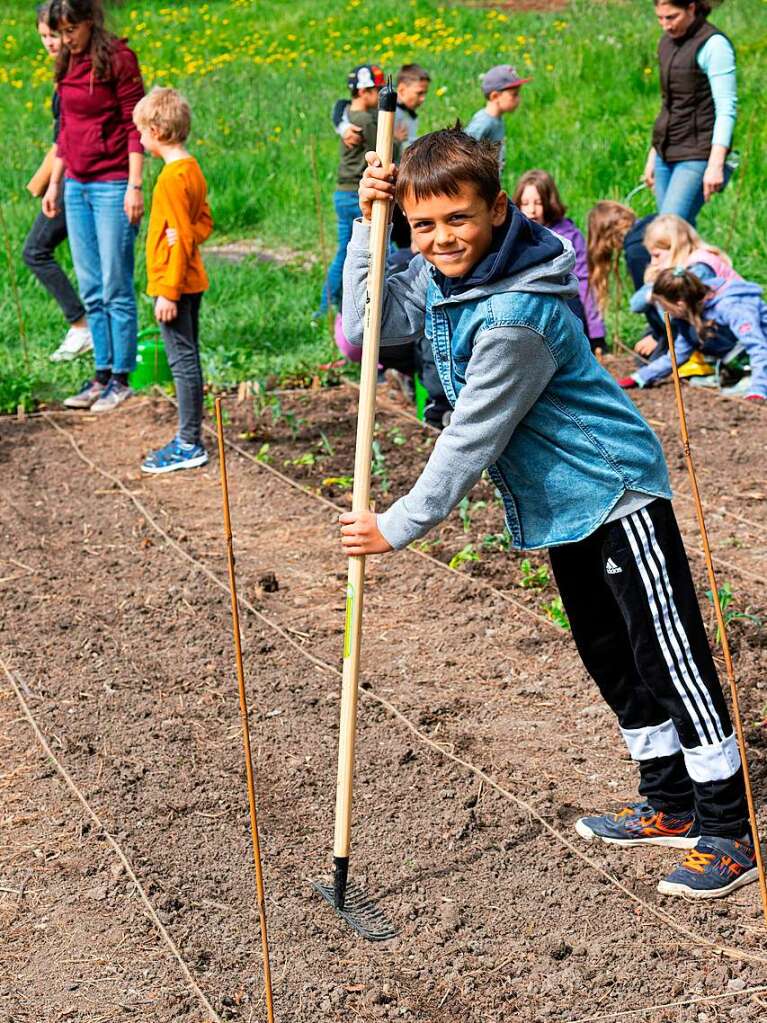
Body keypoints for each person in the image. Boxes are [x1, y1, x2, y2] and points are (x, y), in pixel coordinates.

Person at [340, 127, 757, 900]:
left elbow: (469, 439)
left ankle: (728, 827)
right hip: (560, 505)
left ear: (496, 210)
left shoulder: (517, 316)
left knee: (669, 658)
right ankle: (667, 802)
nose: (439, 239)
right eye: (422, 224)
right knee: (609, 653)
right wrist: (372, 231)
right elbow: (367, 331)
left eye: (456, 219)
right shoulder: (442, 273)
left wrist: (395, 525)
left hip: (613, 493)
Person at [43, 0, 145, 412]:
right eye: (59, 32)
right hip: (76, 185)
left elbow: (133, 123)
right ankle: (100, 374)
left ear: (89, 21)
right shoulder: (68, 62)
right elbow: (66, 127)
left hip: (112, 182)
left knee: (114, 283)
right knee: (90, 286)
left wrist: (134, 186)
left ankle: (121, 378)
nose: (65, 39)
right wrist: (54, 183)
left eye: (70, 30)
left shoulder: (118, 59)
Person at [132, 87, 213, 473]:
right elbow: (203, 223)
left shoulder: (169, 179)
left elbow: (181, 235)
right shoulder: (191, 168)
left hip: (176, 286)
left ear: (158, 130)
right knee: (188, 359)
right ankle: (189, 437)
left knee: (182, 363)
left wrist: (167, 291)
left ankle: (188, 442)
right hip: (190, 280)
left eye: (142, 132)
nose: (140, 139)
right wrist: (182, 238)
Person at [22, 2, 92, 363]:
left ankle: (81, 327)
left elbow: (68, 137)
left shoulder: (78, 75)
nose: (50, 43)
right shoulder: (65, 72)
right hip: (68, 175)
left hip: (78, 177)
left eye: (54, 35)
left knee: (35, 250)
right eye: (44, 37)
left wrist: (53, 184)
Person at [317, 64, 400, 317]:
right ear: (363, 92)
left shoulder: (349, 116)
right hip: (358, 192)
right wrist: (397, 138)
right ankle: (379, 303)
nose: (378, 95)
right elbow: (388, 150)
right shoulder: (365, 120)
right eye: (375, 90)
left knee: (344, 252)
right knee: (389, 250)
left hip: (343, 193)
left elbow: (339, 105)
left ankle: (326, 307)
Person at [644, 0, 737, 226]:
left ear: (692, 8)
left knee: (669, 230)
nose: (666, 25)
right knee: (676, 238)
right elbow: (669, 103)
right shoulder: (666, 43)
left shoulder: (714, 45)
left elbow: (726, 108)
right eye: (660, 18)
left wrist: (715, 164)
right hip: (666, 152)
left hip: (697, 154)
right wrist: (654, 153)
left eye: (672, 17)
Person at [620, 267, 766, 401]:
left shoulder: (731, 307)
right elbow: (678, 354)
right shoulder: (689, 314)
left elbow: (758, 347)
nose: (665, 312)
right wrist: (640, 377)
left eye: (665, 307)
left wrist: (758, 389)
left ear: (680, 304)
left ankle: (753, 377)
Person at [628, 213, 742, 360]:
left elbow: (685, 311)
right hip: (712, 322)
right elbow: (635, 304)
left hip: (731, 325)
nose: (653, 262)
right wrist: (653, 292)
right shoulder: (672, 268)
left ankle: (733, 360)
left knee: (688, 326)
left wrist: (658, 295)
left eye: (656, 255)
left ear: (675, 248)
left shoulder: (699, 268)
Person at [514, 169, 605, 352]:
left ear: (549, 203)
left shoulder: (568, 235)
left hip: (564, 305)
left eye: (538, 203)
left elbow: (584, 281)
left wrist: (597, 332)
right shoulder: (515, 236)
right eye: (525, 203)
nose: (531, 210)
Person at [587, 201, 661, 350]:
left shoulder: (636, 252)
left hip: (676, 322)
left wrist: (658, 337)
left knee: (643, 356)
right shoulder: (652, 221)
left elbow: (652, 297)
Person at [465, 65, 531, 174]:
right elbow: (464, 148)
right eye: (514, 95)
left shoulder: (497, 119)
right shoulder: (484, 122)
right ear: (495, 96)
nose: (518, 99)